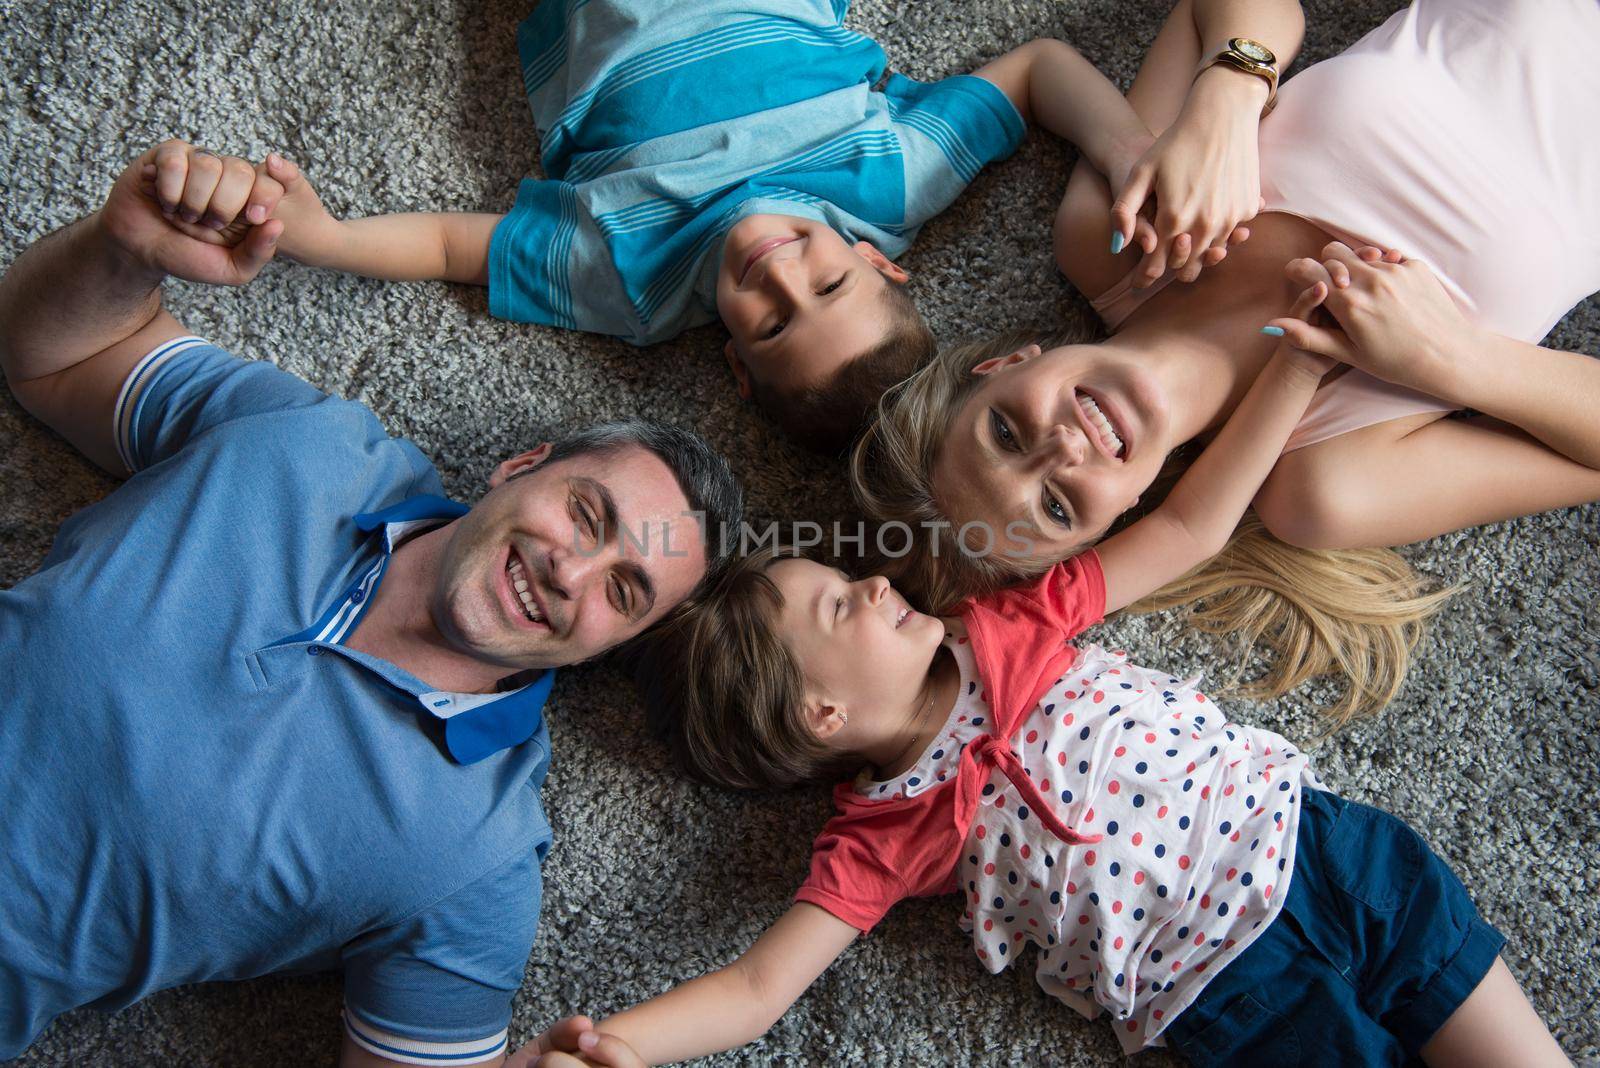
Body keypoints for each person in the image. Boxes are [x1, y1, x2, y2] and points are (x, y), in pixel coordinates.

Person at [515, 286, 1568, 1068]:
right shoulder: (883, 831)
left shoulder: (1006, 623)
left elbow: (1193, 526)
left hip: (1329, 852)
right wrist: (619, 1047)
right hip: (1233, 994)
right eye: (842, 603)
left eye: (850, 576)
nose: (875, 585)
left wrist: (1295, 366)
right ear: (821, 711)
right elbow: (757, 988)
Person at [0, 140, 741, 1067]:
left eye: (623, 591)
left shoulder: (475, 859)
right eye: (587, 516)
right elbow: (60, 356)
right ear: (520, 467)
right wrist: (119, 250)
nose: (571, 575)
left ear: (610, 647)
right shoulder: (308, 438)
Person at [852, 0, 1600, 681]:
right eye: (1055, 507)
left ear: (1007, 364)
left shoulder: (1108, 239)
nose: (1063, 450)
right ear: (1121, 516)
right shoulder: (1324, 481)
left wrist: (1227, 100)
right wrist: (1457, 360)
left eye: (1006, 432)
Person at [247, 0, 1256, 452]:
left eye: (769, 322)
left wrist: (325, 238)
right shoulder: (889, 187)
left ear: (732, 360)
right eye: (828, 285)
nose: (777, 273)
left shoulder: (634, 284)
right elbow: (1037, 70)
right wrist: (1128, 151)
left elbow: (453, 249)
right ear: (879, 265)